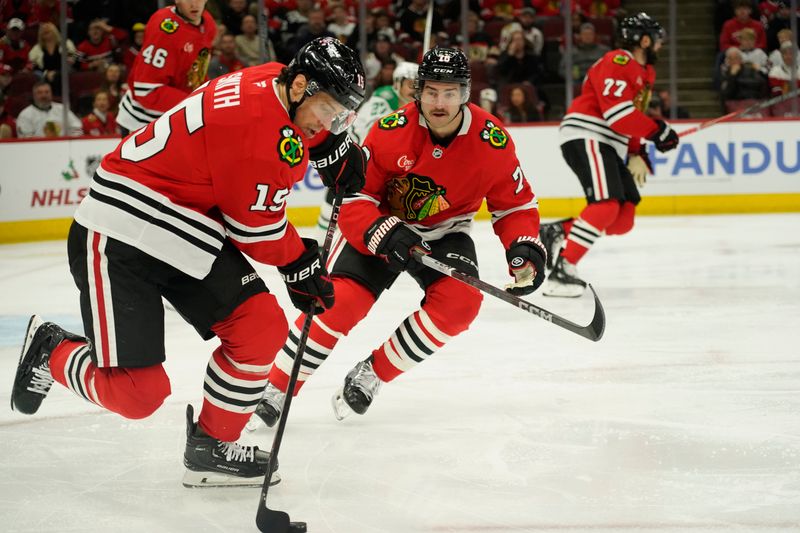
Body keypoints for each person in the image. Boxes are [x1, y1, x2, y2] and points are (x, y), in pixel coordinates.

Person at [11, 37, 367, 488]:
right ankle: (50, 350)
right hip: (122, 226)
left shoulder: (276, 80)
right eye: (330, 109)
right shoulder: (256, 137)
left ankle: (211, 445)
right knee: (138, 394)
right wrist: (301, 265)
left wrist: (328, 145)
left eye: (340, 113)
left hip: (184, 222)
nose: (332, 121)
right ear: (299, 85)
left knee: (260, 326)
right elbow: (255, 230)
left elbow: (297, 132)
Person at [248, 46, 546, 429]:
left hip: (445, 231)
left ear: (465, 93)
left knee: (460, 305)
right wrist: (379, 232)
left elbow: (516, 205)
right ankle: (277, 386)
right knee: (339, 304)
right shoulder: (391, 131)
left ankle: (372, 373)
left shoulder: (493, 140)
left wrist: (523, 247)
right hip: (382, 225)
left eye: (450, 92)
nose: (440, 102)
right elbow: (356, 196)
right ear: (418, 90)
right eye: (433, 91)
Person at [541, 13, 679, 297]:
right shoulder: (619, 61)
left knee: (622, 218)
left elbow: (631, 116)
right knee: (605, 205)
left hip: (610, 141)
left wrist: (638, 148)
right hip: (588, 134)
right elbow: (618, 114)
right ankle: (563, 271)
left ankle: (557, 231)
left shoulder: (644, 72)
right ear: (643, 40)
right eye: (657, 40)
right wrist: (657, 131)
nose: (660, 46)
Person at [314, 61, 419, 242]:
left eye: (418, 86)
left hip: (366, 163)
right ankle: (321, 243)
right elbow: (372, 134)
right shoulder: (383, 99)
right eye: (410, 84)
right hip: (350, 159)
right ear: (397, 83)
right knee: (333, 206)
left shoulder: (413, 108)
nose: (414, 90)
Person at [116, 0, 217, 135]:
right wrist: (196, 103)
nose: (194, 5)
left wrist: (207, 95)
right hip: (144, 123)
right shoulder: (164, 32)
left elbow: (197, 70)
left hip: (180, 119)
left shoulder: (208, 23)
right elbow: (145, 90)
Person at [16, 80, 83, 137]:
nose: (44, 95)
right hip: (38, 149)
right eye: (40, 93)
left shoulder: (62, 109)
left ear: (51, 93)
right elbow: (26, 138)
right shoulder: (25, 114)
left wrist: (70, 141)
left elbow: (77, 128)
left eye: (47, 92)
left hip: (63, 146)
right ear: (34, 95)